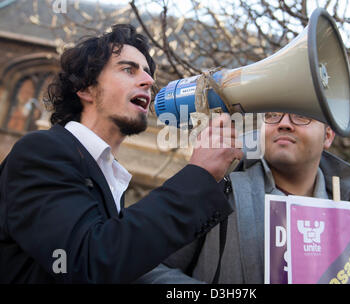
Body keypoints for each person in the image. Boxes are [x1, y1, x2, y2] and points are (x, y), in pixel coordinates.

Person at [0, 24, 243, 283]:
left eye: (149, 74)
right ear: (85, 88)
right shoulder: (41, 153)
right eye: (128, 69)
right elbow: (89, 260)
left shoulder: (106, 174)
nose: (149, 81)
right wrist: (199, 176)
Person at [137, 111, 350, 283]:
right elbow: (144, 266)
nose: (284, 124)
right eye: (273, 115)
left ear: (327, 136)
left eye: (301, 115)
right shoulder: (216, 190)